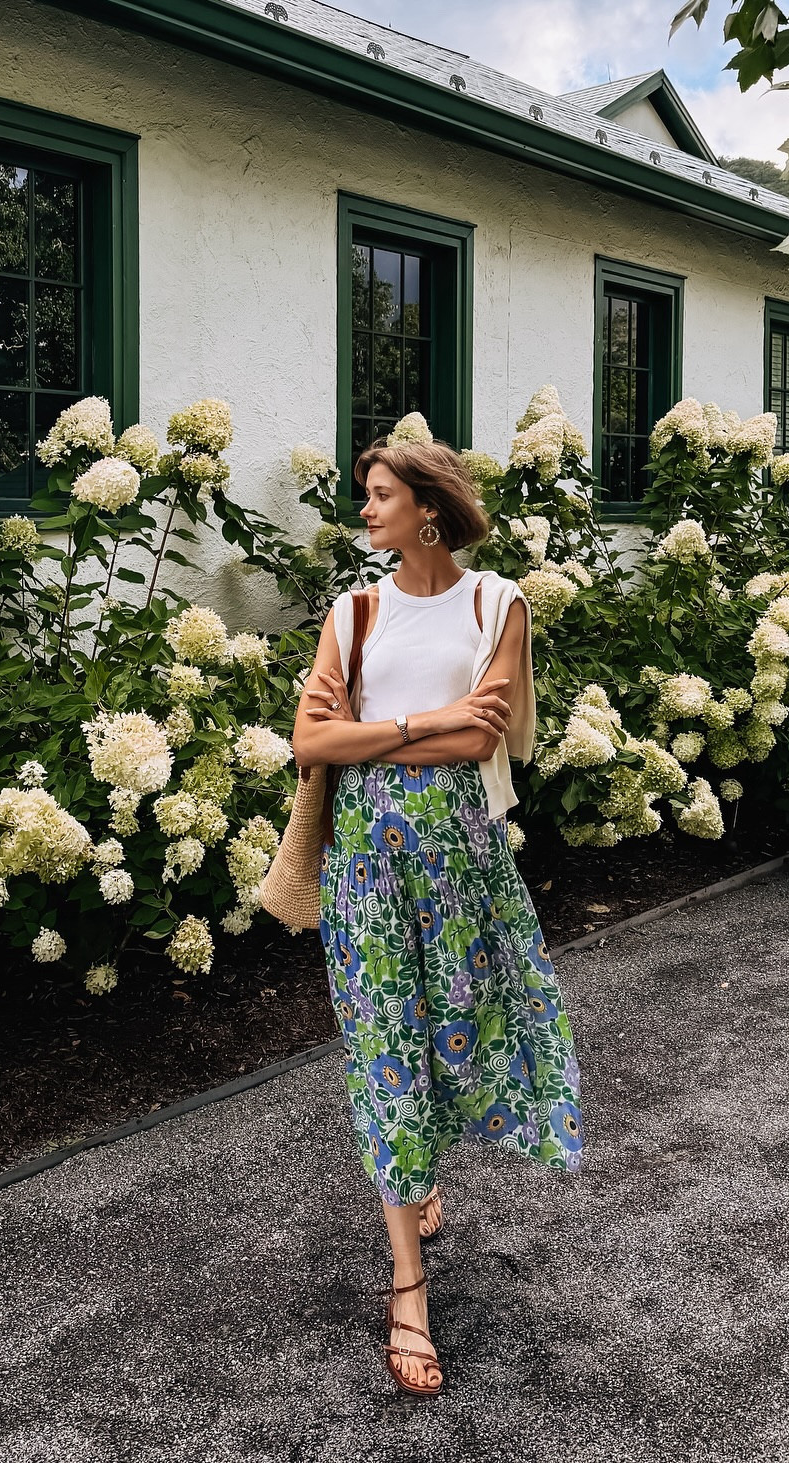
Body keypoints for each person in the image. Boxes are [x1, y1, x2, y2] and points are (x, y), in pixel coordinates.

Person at [291, 435, 584, 1397]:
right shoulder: (356, 608)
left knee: (454, 1036)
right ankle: (408, 1287)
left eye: (379, 496)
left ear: (427, 507)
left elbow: (488, 735)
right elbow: (310, 738)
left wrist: (369, 736)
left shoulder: (497, 605)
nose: (365, 510)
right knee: (384, 1048)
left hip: (462, 853)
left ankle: (421, 1169)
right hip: (365, 861)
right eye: (364, 495)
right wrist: (422, 726)